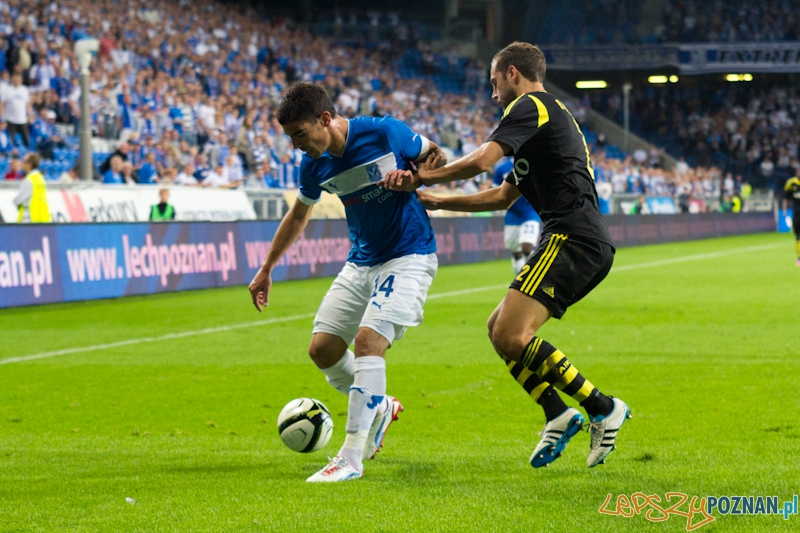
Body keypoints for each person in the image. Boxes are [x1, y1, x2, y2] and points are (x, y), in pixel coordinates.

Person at [382, 42, 629, 469]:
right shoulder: (543, 122)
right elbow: (502, 195)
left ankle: (603, 407)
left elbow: (482, 160)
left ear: (513, 73)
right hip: (577, 237)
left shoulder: (531, 105)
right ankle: (558, 413)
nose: (493, 93)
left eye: (495, 83)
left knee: (511, 336)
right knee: (498, 328)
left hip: (573, 236)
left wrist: (422, 174)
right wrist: (439, 200)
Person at [248, 82, 445, 482]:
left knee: (369, 341)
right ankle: (381, 406)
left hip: (408, 256)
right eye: (290, 138)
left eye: (300, 135)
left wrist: (415, 179)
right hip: (361, 262)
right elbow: (299, 215)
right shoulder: (314, 164)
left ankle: (351, 456)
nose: (297, 146)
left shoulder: (384, 132)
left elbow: (436, 157)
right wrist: (267, 267)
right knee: (322, 350)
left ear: (325, 119)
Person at [493, 157, 541, 273]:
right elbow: (495, 189)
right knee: (516, 251)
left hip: (530, 210)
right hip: (512, 212)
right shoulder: (502, 168)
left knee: (527, 245)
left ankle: (532, 274)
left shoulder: (534, 164)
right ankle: (519, 279)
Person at [14, 153, 51, 223]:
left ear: (29, 164)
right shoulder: (40, 178)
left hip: (29, 218)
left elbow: (20, 199)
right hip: (42, 218)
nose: (22, 163)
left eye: (24, 161)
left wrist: (14, 201)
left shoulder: (29, 180)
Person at [0, 72, 32, 148]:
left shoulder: (24, 90)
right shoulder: (7, 90)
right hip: (10, 119)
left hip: (22, 119)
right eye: (14, 79)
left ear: (21, 80)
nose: (16, 81)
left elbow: (28, 104)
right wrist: (1, 118)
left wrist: (30, 116)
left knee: (26, 140)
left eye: (18, 79)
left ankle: (28, 155)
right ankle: (11, 155)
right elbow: (2, 104)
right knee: (10, 140)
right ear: (12, 80)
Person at [783, 173, 800, 266]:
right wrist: (784, 210)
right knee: (797, 236)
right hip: (797, 214)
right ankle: (799, 257)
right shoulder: (791, 183)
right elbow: (785, 198)